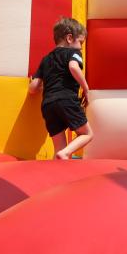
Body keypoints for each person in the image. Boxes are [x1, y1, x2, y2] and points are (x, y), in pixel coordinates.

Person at [29, 17, 93, 160]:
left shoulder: (46, 59)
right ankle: (65, 153)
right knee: (87, 134)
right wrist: (86, 89)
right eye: (81, 42)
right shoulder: (74, 53)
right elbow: (73, 67)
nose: (81, 47)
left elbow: (33, 88)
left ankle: (60, 166)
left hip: (48, 105)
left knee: (59, 149)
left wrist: (38, 83)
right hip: (66, 100)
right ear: (69, 38)